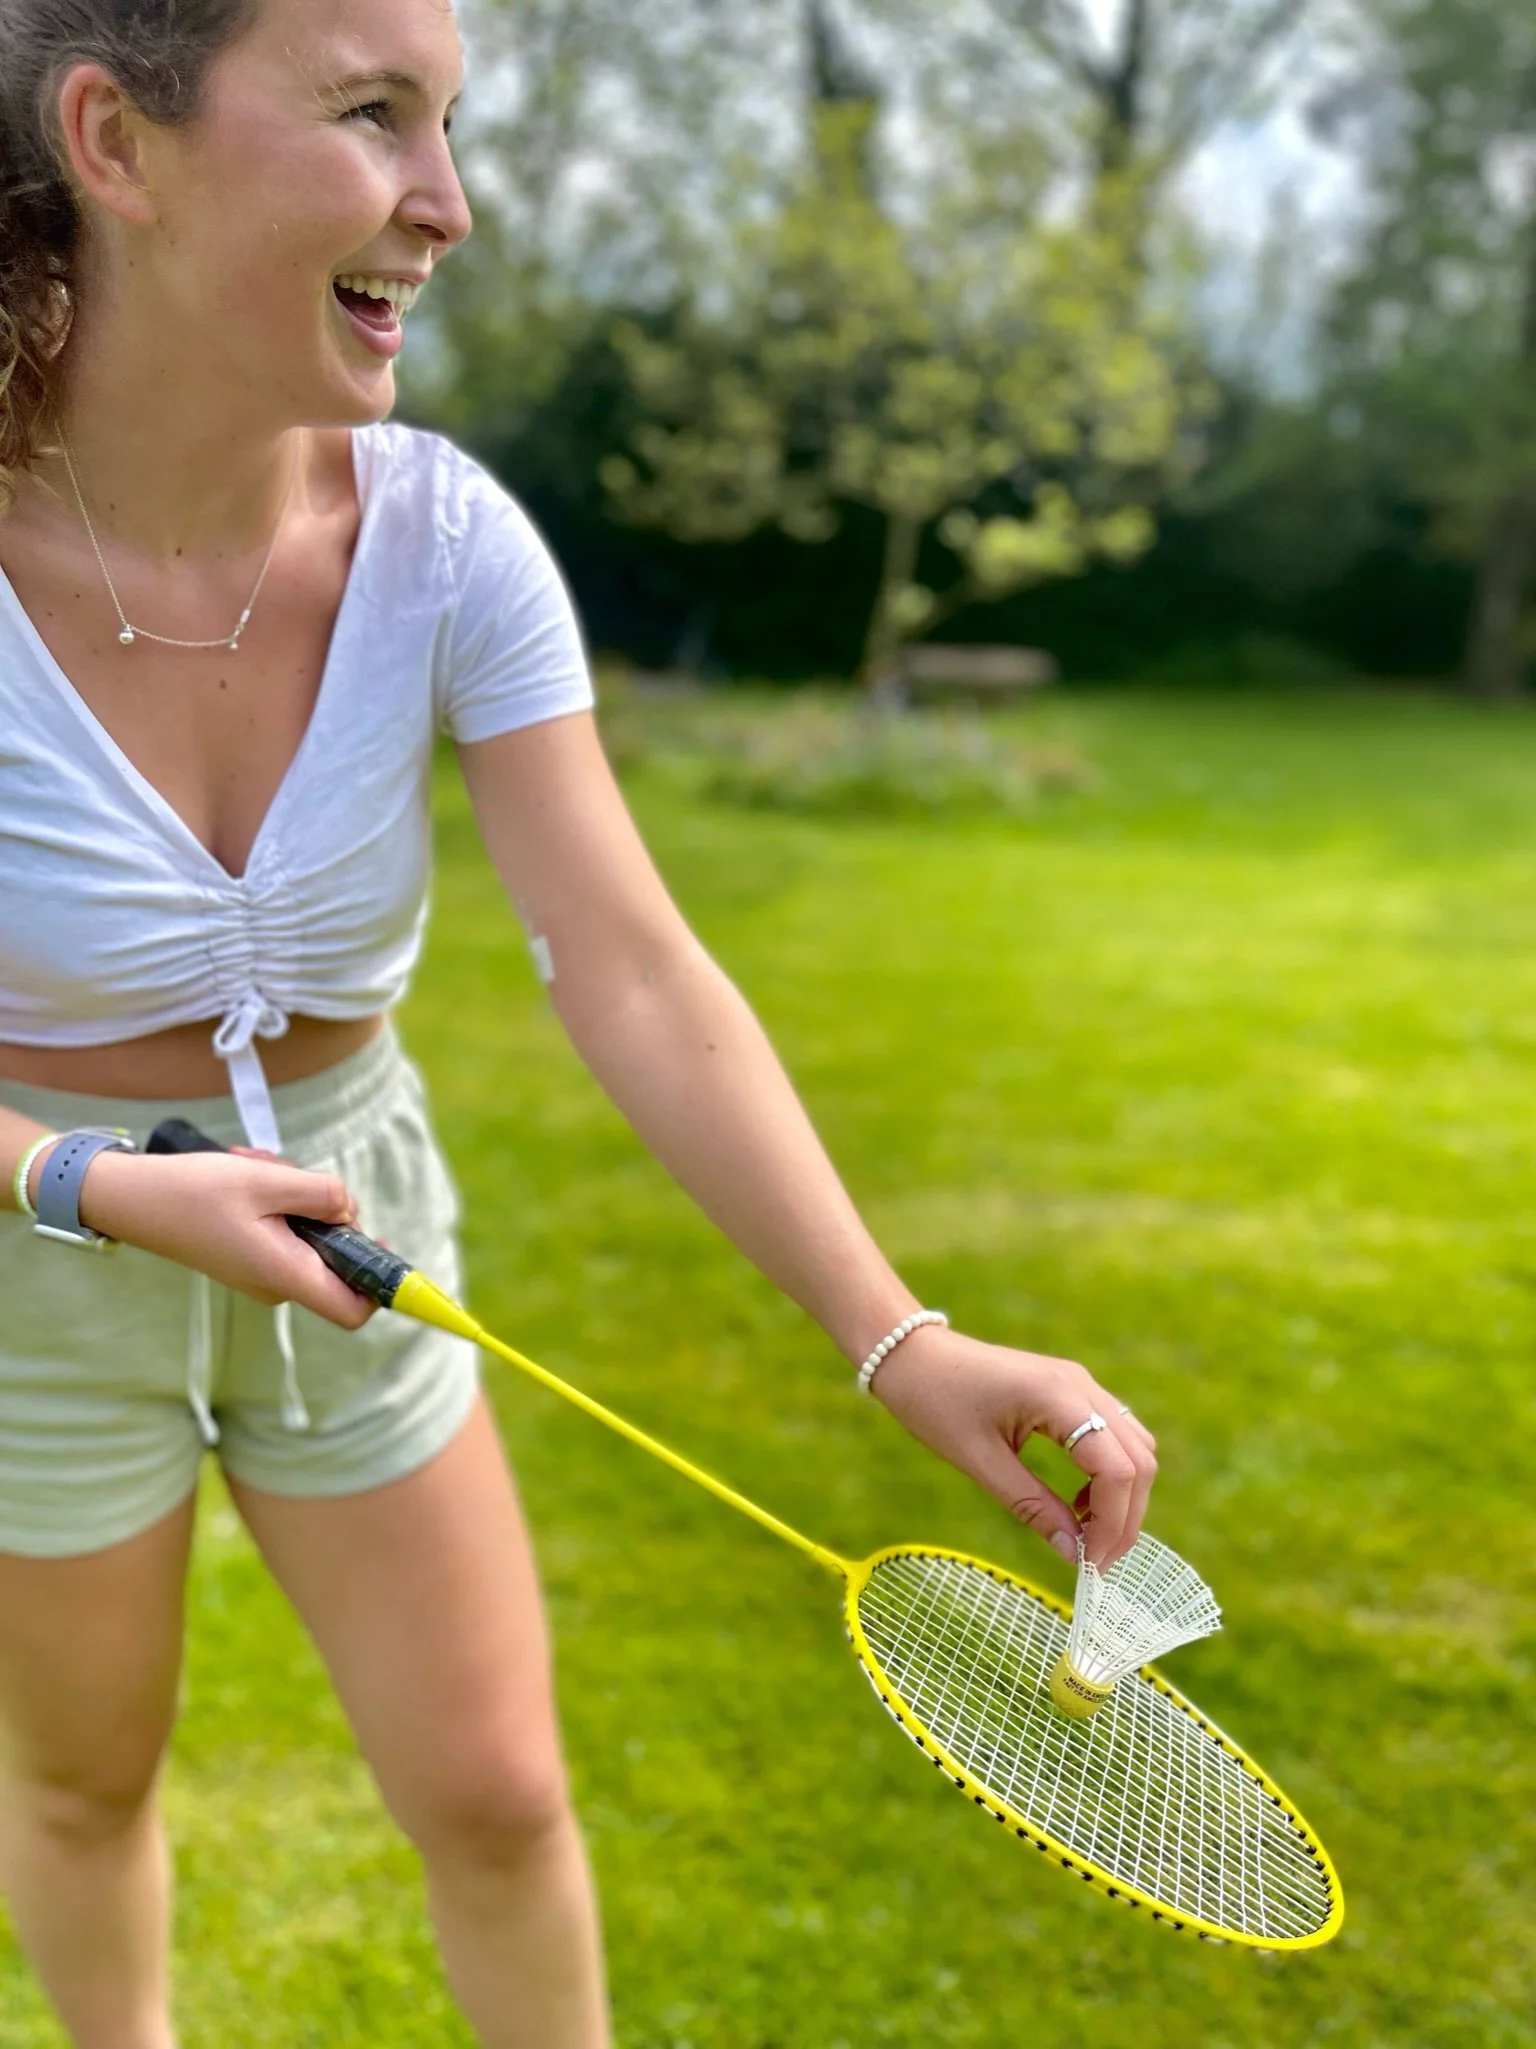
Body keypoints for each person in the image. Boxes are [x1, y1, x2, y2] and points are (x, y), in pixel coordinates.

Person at [0, 2, 1159, 2043]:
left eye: (448, 122)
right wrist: (90, 1183)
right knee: (84, 1782)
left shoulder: (444, 541)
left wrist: (898, 1333)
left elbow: (630, 965)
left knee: (505, 1796)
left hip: (364, 1229)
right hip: (39, 1263)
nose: (448, 204)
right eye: (376, 117)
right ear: (116, 136)